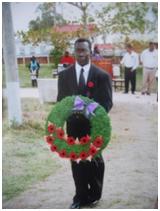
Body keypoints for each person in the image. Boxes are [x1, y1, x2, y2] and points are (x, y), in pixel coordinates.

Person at [57, 38, 113, 209]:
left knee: (95, 161)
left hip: (93, 128)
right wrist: (68, 116)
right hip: (73, 127)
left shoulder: (101, 76)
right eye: (78, 50)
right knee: (77, 162)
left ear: (90, 52)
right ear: (74, 52)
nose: (80, 53)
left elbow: (106, 103)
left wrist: (89, 113)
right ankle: (80, 196)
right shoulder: (64, 75)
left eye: (84, 50)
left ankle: (94, 195)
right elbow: (61, 101)